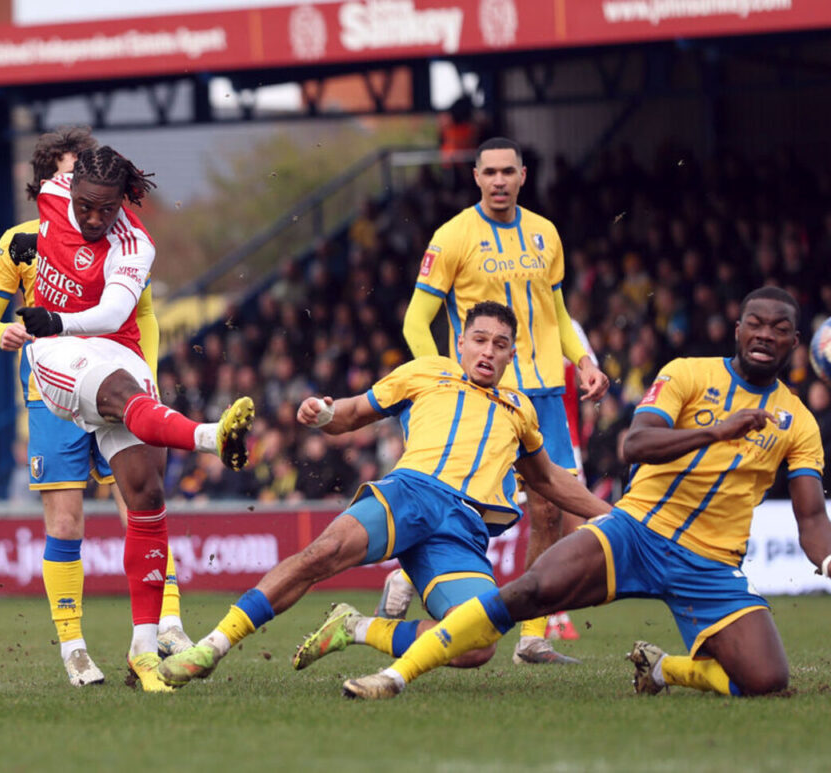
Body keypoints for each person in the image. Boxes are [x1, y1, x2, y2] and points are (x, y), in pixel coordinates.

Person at [342, 287, 831, 700]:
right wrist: (715, 433)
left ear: (795, 342)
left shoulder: (798, 420)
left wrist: (827, 562)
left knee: (767, 682)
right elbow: (635, 444)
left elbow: (810, 516)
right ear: (738, 328)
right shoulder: (687, 373)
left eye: (779, 328)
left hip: (711, 564)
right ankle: (394, 676)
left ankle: (665, 669)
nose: (765, 335)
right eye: (755, 323)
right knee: (528, 592)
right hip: (635, 532)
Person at [155, 301, 610, 690]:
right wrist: (321, 414)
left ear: (512, 355)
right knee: (322, 553)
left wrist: (616, 515)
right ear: (461, 343)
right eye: (479, 339)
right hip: (411, 494)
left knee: (479, 645)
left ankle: (354, 627)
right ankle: (211, 647)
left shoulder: (519, 408)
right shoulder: (426, 372)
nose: (488, 351)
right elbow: (351, 414)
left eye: (499, 344)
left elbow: (548, 479)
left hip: (462, 531)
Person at [17, 144, 254, 692]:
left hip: (106, 342)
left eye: (108, 208)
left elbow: (115, 313)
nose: (95, 219)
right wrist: (42, 327)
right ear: (69, 189)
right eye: (86, 207)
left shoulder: (134, 243)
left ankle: (143, 650)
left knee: (145, 495)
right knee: (121, 397)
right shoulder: (54, 194)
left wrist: (55, 316)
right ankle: (211, 435)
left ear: (125, 199)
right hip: (54, 356)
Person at [0, 127, 196, 688]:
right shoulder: (21, 241)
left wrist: (148, 382)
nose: (90, 195)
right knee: (66, 519)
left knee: (139, 503)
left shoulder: (123, 242)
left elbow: (140, 315)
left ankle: (168, 626)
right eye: (75, 176)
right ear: (54, 180)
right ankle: (74, 647)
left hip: (117, 384)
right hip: (51, 394)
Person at [398, 136, 609, 664]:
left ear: (522, 176)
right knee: (457, 507)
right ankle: (409, 574)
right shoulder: (452, 237)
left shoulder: (546, 234)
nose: (498, 181)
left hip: (545, 395)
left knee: (552, 510)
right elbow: (415, 322)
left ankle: (533, 636)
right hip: (482, 395)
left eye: (507, 172)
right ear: (475, 176)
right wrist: (444, 378)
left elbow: (558, 316)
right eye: (488, 172)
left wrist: (583, 359)